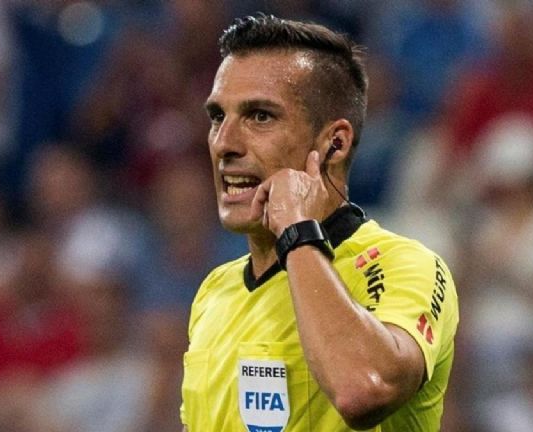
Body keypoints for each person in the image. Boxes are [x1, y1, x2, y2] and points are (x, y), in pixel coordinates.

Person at [181, 15, 459, 431]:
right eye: (218, 117)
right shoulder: (215, 291)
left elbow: (364, 388)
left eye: (260, 116)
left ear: (335, 143)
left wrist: (296, 231)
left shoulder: (405, 265)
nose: (224, 143)